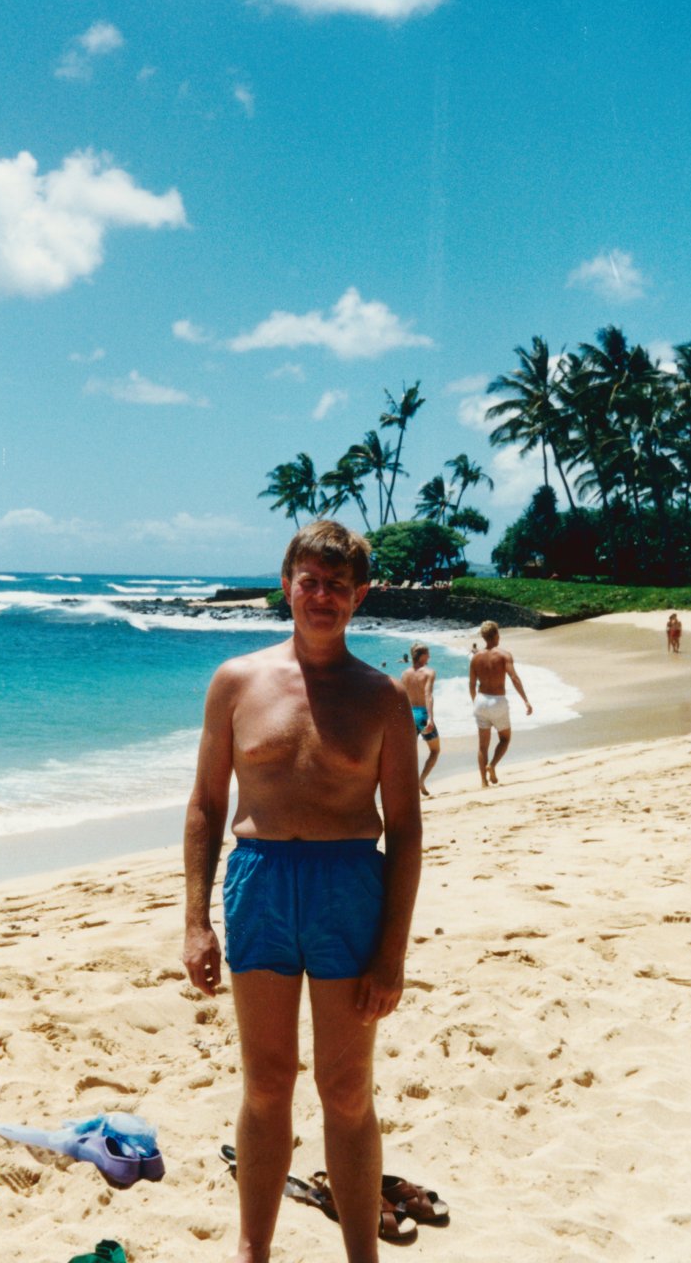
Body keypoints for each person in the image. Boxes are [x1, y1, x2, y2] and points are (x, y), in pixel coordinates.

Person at [182, 520, 422, 1263]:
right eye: (309, 582)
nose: (322, 597)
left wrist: (392, 953)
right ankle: (253, 1251)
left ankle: (362, 1255)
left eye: (338, 587)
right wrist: (194, 920)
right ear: (286, 584)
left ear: (359, 597)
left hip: (349, 885)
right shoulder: (236, 682)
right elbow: (206, 807)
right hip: (258, 884)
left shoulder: (381, 699)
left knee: (346, 1089)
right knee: (266, 1084)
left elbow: (406, 831)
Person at [469, 620, 532, 787]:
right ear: (496, 635)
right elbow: (514, 678)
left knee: (482, 746)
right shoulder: (504, 655)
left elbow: (471, 684)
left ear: (483, 637)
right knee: (504, 739)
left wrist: (475, 702)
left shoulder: (476, 657)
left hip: (480, 701)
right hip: (497, 701)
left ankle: (483, 783)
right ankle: (492, 765)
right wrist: (525, 700)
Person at [400, 643, 441, 797]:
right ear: (422, 656)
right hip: (423, 715)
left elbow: (402, 698)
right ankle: (421, 780)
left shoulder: (404, 674)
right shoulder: (429, 672)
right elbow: (428, 695)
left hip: (409, 715)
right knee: (435, 750)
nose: (429, 657)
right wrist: (430, 718)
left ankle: (406, 787)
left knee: (409, 754)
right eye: (428, 654)